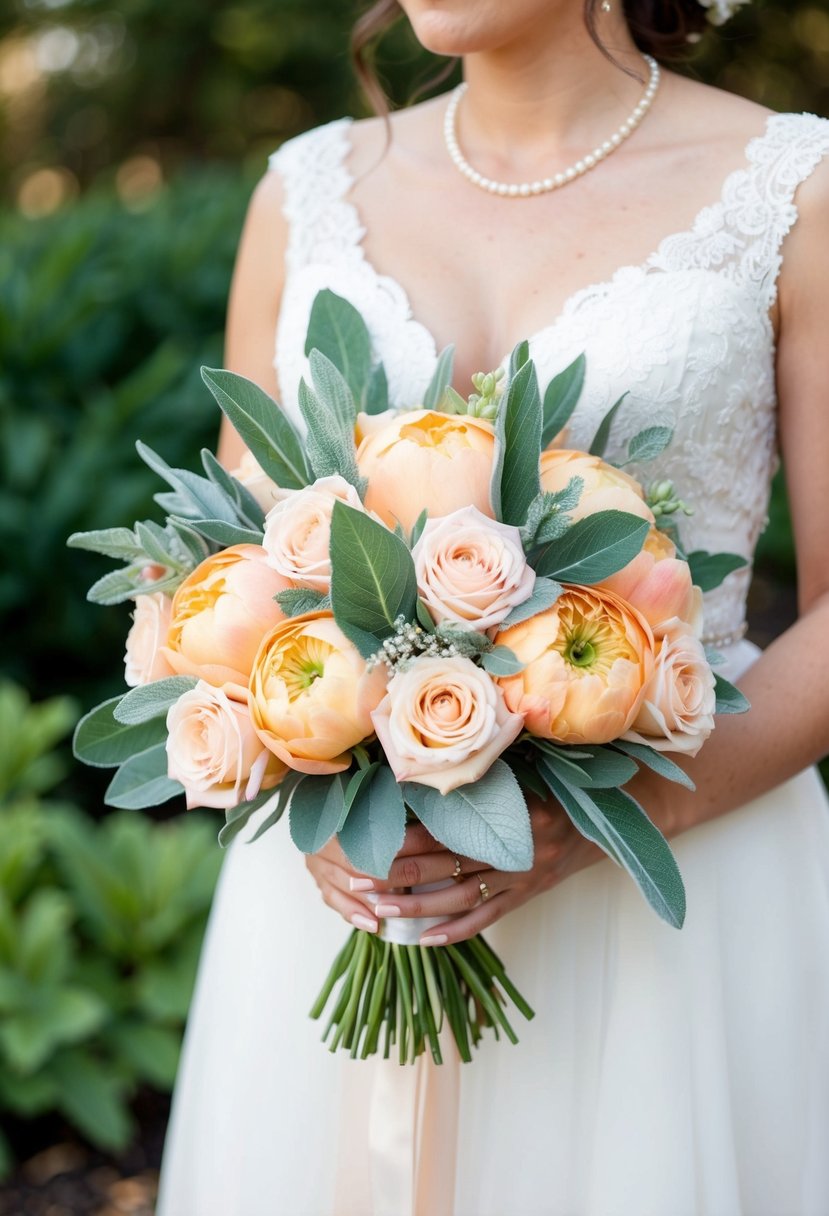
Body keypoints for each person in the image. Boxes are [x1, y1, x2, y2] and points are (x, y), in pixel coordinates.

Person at [155, 1, 829, 1212]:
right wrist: (287, 753)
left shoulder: (797, 188)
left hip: (671, 909)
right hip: (348, 898)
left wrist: (613, 815)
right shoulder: (302, 192)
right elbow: (219, 567)